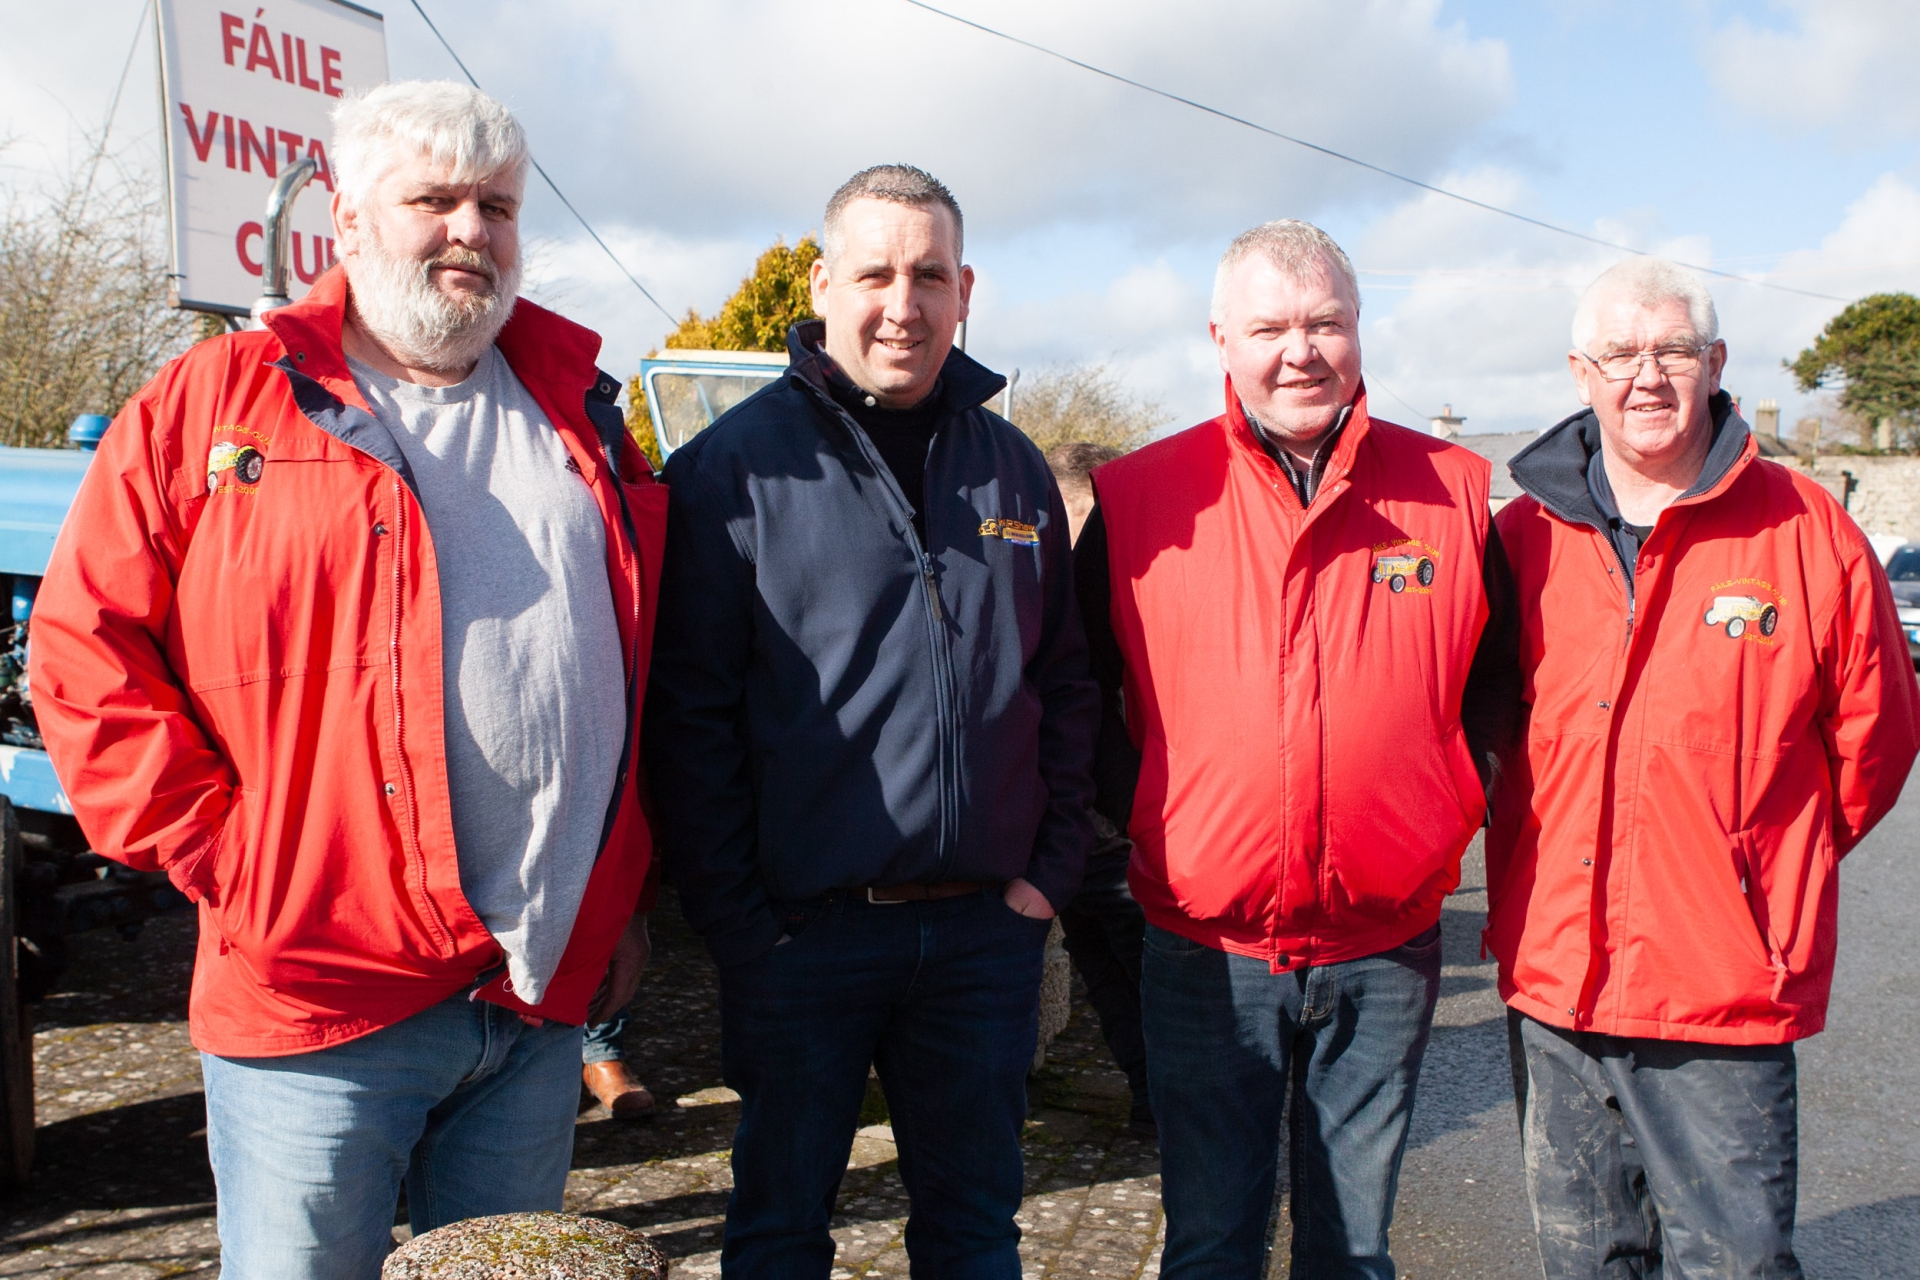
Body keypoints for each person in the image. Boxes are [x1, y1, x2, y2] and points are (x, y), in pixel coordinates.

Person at [27, 81, 668, 1279]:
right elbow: (82, 650)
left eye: (498, 205)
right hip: (316, 1002)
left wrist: (619, 887)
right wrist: (232, 860)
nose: (470, 230)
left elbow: (636, 666)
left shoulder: (580, 412)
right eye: (432, 199)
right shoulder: (213, 402)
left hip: (535, 999)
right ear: (347, 219)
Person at [644, 164, 1098, 1278]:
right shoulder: (732, 472)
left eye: (930, 275)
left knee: (975, 1229)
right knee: (782, 1228)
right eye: (877, 272)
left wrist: (1050, 867)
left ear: (966, 290)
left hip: (983, 937)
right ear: (823, 282)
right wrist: (741, 921)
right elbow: (687, 716)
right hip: (805, 937)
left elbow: (1068, 681)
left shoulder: (1015, 468)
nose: (905, 302)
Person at [1075, 219, 1520, 1278]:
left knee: (1353, 1251)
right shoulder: (1141, 497)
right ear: (1221, 338)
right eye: (1271, 326)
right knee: (1212, 1244)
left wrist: (1443, 813)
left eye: (1326, 322)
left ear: (1359, 331)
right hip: (1202, 948)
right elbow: (1081, 690)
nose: (1300, 350)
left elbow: (1501, 696)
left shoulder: (1453, 491)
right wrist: (1153, 813)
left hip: (1388, 944)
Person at [1489, 257, 1920, 1279]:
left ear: (1717, 362)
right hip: (1555, 982)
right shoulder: (1521, 539)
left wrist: (1754, 865)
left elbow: (1875, 741)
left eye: (1673, 349)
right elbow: (1482, 720)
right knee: (1584, 1258)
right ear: (1579, 371)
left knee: (1734, 1261)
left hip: (1718, 984)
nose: (1648, 374)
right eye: (1621, 354)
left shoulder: (1807, 533)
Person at [1045, 441, 1151, 1128]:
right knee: (1110, 987)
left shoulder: (1137, 602)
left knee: (1153, 992)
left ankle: (1172, 1116)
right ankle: (1152, 1105)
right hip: (1071, 845)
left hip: (1128, 845)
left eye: (1074, 520)